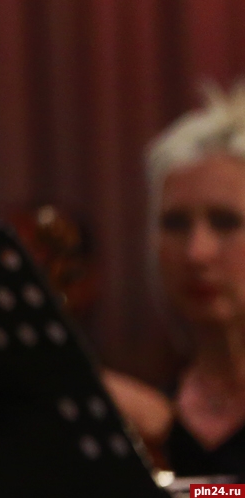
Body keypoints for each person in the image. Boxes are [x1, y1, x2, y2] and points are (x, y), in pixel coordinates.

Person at [104, 84, 245, 478]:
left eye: (226, 222)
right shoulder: (150, 408)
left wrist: (173, 437)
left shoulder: (159, 420)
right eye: (175, 224)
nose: (196, 253)